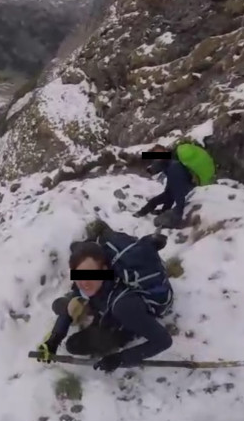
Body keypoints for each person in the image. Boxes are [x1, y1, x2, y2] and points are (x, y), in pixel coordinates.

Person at [36, 220, 173, 372]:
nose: (84, 283)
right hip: (105, 300)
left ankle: (123, 335)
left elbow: (164, 341)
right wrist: (55, 339)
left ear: (104, 269)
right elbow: (75, 296)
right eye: (79, 276)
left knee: (74, 345)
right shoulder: (92, 277)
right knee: (60, 305)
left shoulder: (124, 304)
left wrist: (120, 359)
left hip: (127, 312)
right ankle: (94, 317)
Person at [132, 145, 196, 228]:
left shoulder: (174, 166)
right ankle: (162, 211)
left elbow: (178, 190)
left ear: (165, 152)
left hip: (184, 190)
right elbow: (154, 163)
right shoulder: (167, 161)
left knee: (156, 200)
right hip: (174, 189)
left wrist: (179, 211)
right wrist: (151, 170)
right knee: (162, 198)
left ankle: (141, 213)